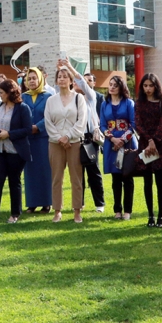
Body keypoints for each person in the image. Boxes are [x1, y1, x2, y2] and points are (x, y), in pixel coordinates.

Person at [0, 78, 33, 225]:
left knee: (14, 181)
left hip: (16, 152)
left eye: (1, 92)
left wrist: (9, 134)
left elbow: (27, 129)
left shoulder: (23, 108)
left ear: (9, 92)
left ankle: (15, 214)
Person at [44, 65, 87, 224]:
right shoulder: (50, 100)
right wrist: (59, 139)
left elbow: (81, 122)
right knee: (56, 178)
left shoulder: (79, 98)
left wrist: (67, 137)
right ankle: (57, 211)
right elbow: (48, 123)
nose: (61, 79)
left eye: (65, 76)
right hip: (55, 144)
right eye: (59, 76)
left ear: (70, 80)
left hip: (74, 143)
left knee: (76, 178)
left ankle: (77, 211)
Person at [66, 64, 105, 213]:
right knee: (77, 173)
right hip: (74, 138)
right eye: (74, 82)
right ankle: (79, 203)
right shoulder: (70, 99)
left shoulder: (90, 97)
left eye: (80, 82)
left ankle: (99, 204)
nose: (76, 83)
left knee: (93, 172)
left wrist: (69, 66)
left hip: (89, 138)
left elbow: (81, 81)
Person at [134, 73, 162, 228]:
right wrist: (149, 140)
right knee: (147, 181)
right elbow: (138, 123)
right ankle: (150, 215)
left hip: (159, 145)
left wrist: (155, 141)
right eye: (145, 85)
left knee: (160, 181)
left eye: (151, 85)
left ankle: (161, 215)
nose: (148, 89)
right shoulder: (139, 103)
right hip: (145, 144)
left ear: (156, 86)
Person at [99, 74, 137, 220]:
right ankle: (117, 210)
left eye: (115, 85)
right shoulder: (104, 104)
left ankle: (128, 210)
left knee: (127, 177)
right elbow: (102, 124)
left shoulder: (129, 103)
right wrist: (113, 139)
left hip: (127, 144)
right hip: (111, 143)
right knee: (116, 179)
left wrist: (122, 139)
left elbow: (133, 124)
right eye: (110, 84)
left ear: (121, 87)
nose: (112, 87)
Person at [21, 67, 53, 213]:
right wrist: (28, 128)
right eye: (29, 78)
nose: (32, 81)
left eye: (34, 78)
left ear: (40, 79)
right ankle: (32, 203)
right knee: (30, 172)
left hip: (43, 138)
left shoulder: (48, 97)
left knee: (45, 171)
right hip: (28, 139)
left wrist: (37, 127)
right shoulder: (23, 97)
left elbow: (50, 116)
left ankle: (47, 203)